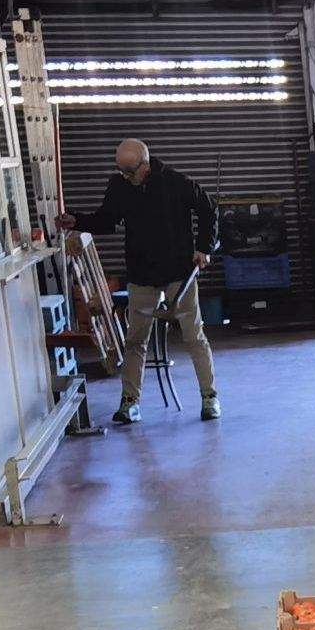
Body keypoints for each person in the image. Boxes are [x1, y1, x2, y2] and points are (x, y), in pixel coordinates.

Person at [66, 138, 221, 423]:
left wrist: (204, 248)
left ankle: (209, 397)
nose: (124, 177)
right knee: (135, 340)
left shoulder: (175, 183)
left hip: (178, 273)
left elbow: (209, 209)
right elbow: (106, 220)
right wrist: (77, 220)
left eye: (129, 171)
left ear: (145, 166)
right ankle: (129, 402)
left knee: (193, 335)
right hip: (141, 275)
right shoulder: (120, 186)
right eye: (120, 171)